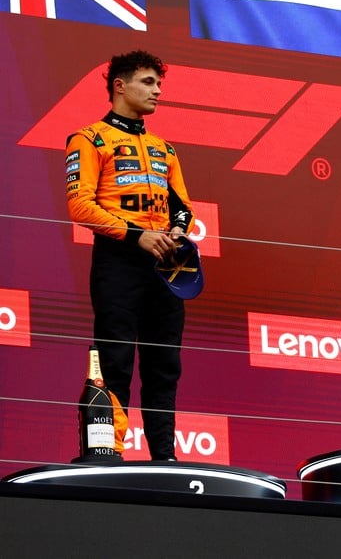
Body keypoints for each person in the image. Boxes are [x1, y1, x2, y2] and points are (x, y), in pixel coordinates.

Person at [66, 50, 195, 461]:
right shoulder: (89, 139)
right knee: (115, 358)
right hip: (118, 260)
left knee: (164, 365)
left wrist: (178, 231)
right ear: (119, 86)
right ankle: (108, 451)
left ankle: (165, 458)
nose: (157, 91)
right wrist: (136, 235)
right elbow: (80, 206)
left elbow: (183, 207)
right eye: (148, 82)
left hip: (166, 265)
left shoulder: (165, 149)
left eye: (159, 84)